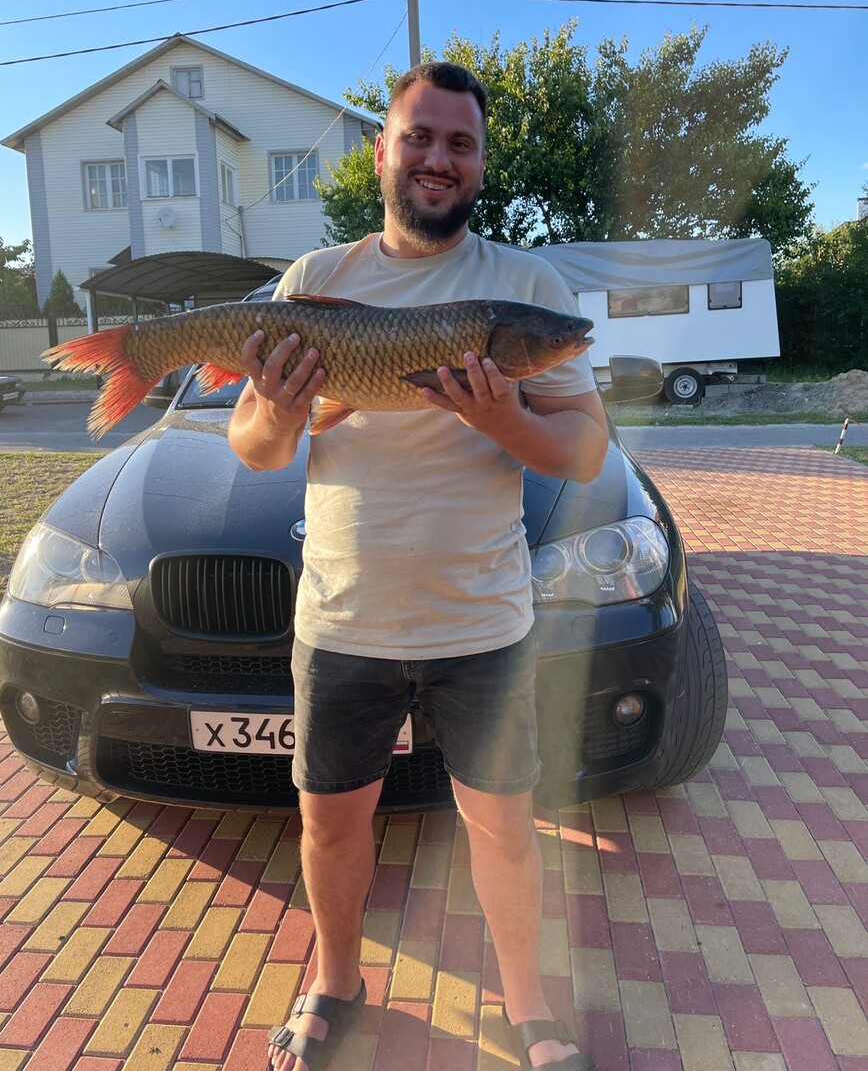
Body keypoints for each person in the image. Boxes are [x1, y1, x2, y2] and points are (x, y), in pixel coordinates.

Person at [228, 61, 607, 1071]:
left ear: (481, 163)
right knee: (334, 831)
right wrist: (275, 404)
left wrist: (504, 416)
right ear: (384, 150)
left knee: (504, 833)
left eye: (461, 143)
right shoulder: (316, 281)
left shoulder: (528, 290)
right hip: (344, 617)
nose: (439, 157)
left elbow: (584, 453)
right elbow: (257, 451)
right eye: (420, 137)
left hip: (482, 621)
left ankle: (528, 1008)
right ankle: (335, 983)